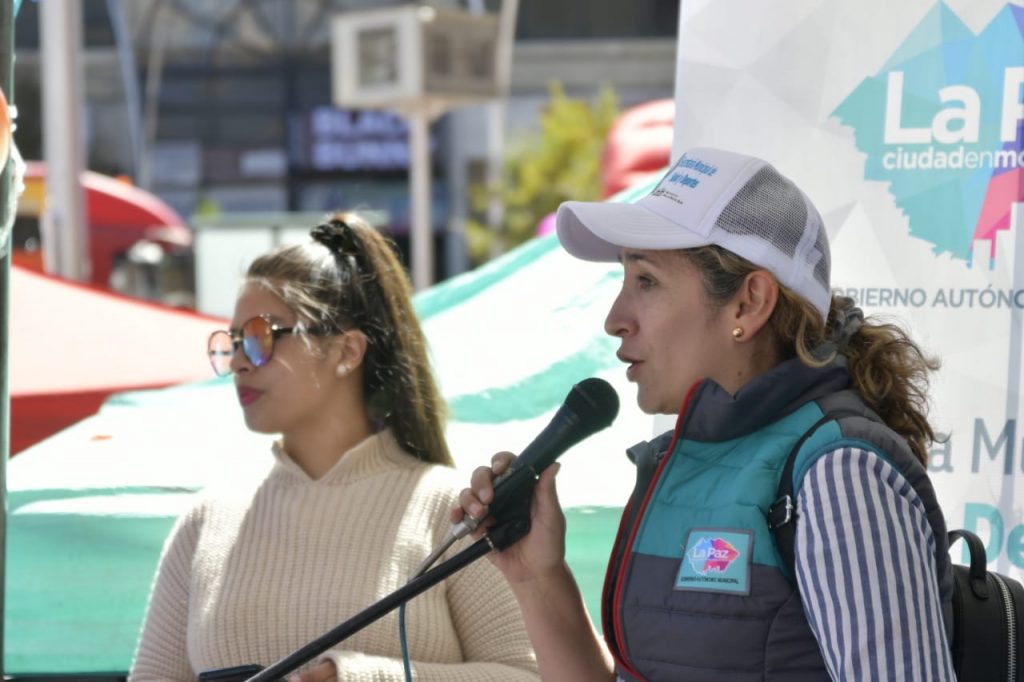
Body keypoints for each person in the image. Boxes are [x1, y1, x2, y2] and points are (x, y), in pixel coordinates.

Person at [454, 147, 956, 681]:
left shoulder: (840, 471)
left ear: (748, 303)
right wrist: (538, 578)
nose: (615, 319)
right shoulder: (686, 462)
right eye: (623, 280)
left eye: (646, 281)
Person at [130, 213, 539, 682]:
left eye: (261, 336)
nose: (240, 361)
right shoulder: (205, 521)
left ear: (346, 351)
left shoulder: (455, 512)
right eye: (234, 342)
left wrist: (360, 678)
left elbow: (528, 676)